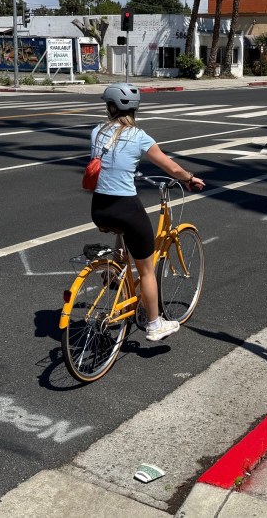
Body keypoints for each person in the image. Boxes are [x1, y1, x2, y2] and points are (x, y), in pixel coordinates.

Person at [89, 83, 205, 342]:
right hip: (125, 207)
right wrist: (189, 178)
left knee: (122, 231)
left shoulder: (96, 132)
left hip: (99, 208)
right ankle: (154, 324)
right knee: (147, 270)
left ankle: (115, 269)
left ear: (110, 108)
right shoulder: (139, 137)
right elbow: (171, 168)